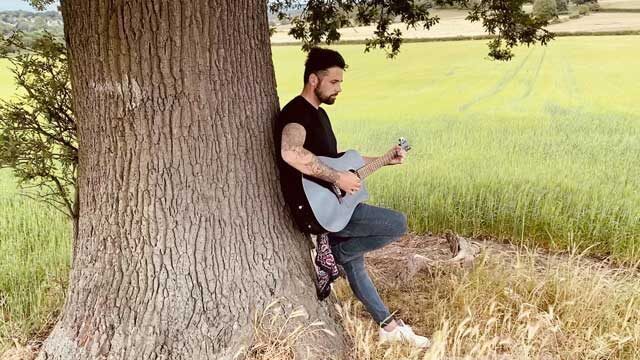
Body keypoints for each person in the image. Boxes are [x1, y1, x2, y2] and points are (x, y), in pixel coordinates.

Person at [274, 47, 430, 348]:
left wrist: (385, 159)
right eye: (334, 82)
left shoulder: (319, 115)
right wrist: (337, 179)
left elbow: (340, 164)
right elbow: (290, 152)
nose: (339, 88)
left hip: (330, 203)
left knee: (356, 263)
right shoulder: (295, 113)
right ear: (313, 80)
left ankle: (388, 326)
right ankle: (338, 254)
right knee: (396, 223)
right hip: (314, 209)